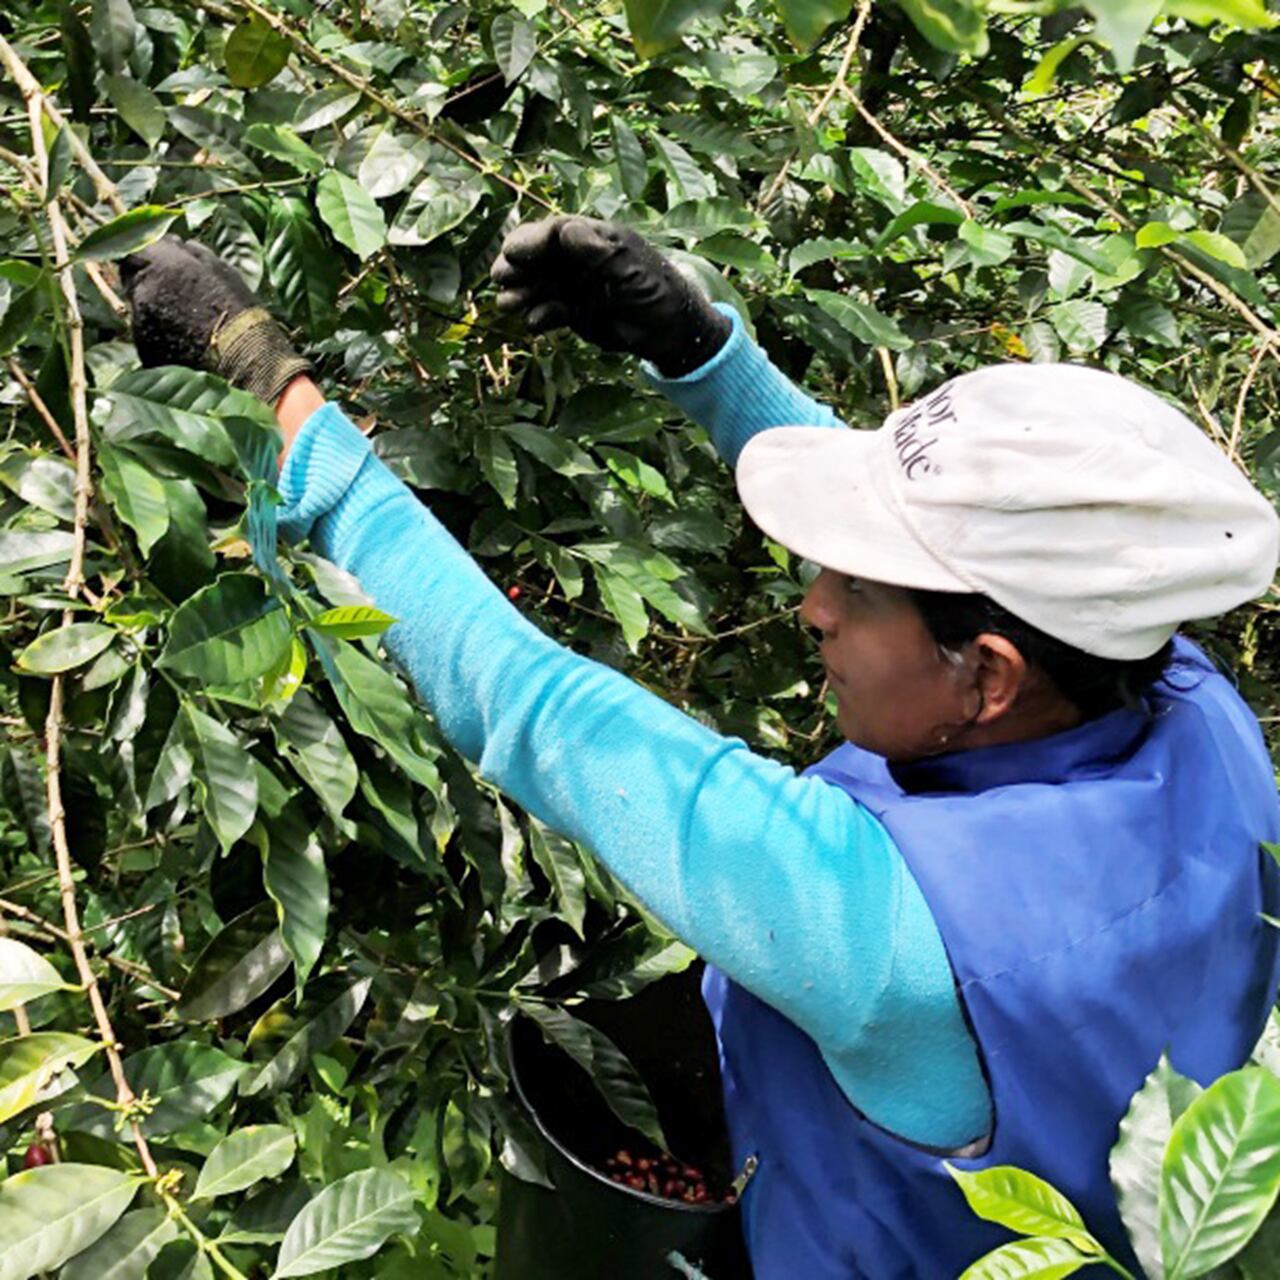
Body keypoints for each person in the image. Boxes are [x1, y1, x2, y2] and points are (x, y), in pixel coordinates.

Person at [120, 228, 1280, 1279]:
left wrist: (275, 395)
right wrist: (700, 355)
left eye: (852, 587)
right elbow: (950, 550)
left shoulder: (884, 938)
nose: (812, 605)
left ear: (987, 673)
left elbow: (529, 701)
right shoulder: (1180, 702)